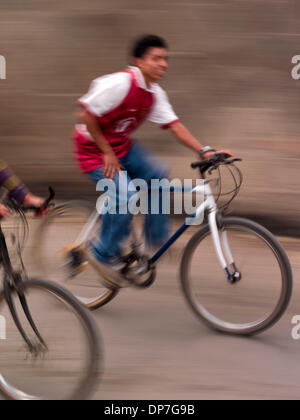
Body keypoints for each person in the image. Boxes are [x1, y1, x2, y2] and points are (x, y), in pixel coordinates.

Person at [74, 34, 231, 286]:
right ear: (139, 61)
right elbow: (85, 115)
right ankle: (102, 253)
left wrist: (205, 151)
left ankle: (156, 239)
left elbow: (176, 126)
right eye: (156, 58)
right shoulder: (119, 84)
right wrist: (106, 151)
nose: (163, 64)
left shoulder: (153, 94)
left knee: (157, 173)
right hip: (94, 151)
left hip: (122, 147)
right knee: (126, 196)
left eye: (165, 59)